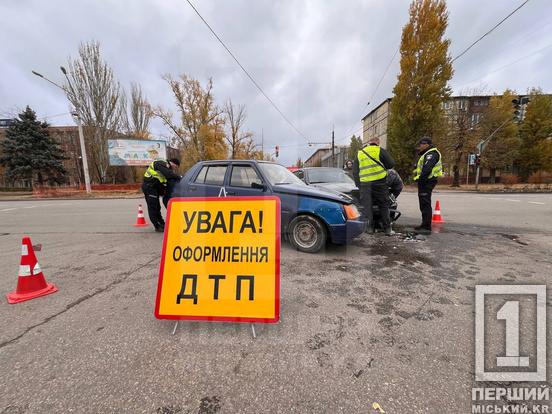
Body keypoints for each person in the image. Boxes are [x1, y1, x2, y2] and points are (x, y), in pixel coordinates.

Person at [353, 137, 395, 235]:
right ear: (377, 143)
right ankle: (387, 229)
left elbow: (355, 172)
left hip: (365, 184)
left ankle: (369, 228)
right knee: (384, 205)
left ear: (369, 143)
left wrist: (359, 185)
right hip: (380, 183)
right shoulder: (380, 150)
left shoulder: (360, 153)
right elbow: (391, 164)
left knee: (367, 206)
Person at [142, 158, 181, 232]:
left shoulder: (165, 167)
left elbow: (165, 179)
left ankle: (162, 224)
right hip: (149, 187)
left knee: (157, 207)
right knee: (153, 207)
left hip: (154, 188)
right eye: (175, 167)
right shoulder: (160, 163)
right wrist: (180, 177)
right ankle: (157, 226)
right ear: (172, 163)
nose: (174, 169)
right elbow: (168, 174)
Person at [413, 137, 443, 234]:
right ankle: (424, 224)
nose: (420, 146)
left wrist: (421, 179)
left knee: (425, 203)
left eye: (421, 144)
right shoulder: (427, 154)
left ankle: (426, 227)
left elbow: (427, 169)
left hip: (427, 181)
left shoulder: (431, 154)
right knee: (423, 203)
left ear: (427, 144)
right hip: (425, 181)